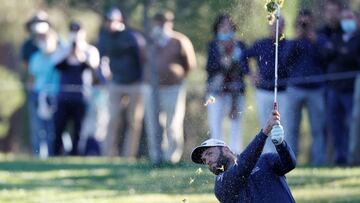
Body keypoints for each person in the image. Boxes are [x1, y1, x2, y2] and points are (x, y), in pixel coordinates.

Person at [191, 110, 296, 202]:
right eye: (204, 160)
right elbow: (242, 167)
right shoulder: (221, 186)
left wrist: (280, 144)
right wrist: (264, 132)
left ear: (226, 150)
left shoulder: (265, 160)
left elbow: (290, 164)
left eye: (209, 154)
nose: (207, 161)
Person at [143, 10, 196, 164]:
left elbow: (190, 64)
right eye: (159, 22)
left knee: (173, 123)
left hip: (173, 88)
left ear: (170, 23)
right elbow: (142, 59)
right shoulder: (150, 42)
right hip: (152, 89)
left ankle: (172, 157)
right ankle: (156, 157)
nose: (161, 25)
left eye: (165, 22)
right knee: (153, 123)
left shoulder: (179, 40)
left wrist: (175, 75)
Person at [97, 7, 145, 157]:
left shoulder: (132, 36)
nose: (109, 24)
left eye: (112, 21)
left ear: (120, 21)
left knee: (133, 122)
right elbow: (101, 59)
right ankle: (108, 155)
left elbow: (143, 59)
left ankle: (128, 155)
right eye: (107, 21)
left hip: (135, 83)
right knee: (112, 120)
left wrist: (143, 80)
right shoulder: (104, 37)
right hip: (116, 83)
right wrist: (105, 79)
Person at [284, 10, 326, 165]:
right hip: (295, 88)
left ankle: (319, 162)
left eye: (307, 23)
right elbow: (284, 60)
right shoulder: (293, 41)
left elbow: (327, 57)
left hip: (316, 89)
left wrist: (314, 40)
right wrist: (296, 38)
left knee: (318, 129)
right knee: (291, 128)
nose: (304, 26)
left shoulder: (319, 39)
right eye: (302, 23)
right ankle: (290, 162)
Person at [53, 21, 100, 155]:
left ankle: (76, 154)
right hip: (63, 96)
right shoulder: (62, 49)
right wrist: (69, 52)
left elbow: (93, 68)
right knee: (59, 127)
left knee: (79, 129)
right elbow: (56, 65)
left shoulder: (90, 50)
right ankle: (56, 154)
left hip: (81, 96)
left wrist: (80, 55)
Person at [205, 14, 249, 154]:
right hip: (216, 91)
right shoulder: (212, 45)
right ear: (217, 28)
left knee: (235, 124)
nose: (225, 28)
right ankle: (216, 155)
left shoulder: (240, 45)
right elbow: (209, 67)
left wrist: (235, 62)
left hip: (236, 91)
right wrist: (221, 63)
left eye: (228, 25)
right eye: (222, 25)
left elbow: (245, 67)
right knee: (215, 125)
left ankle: (235, 155)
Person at [245, 16, 289, 153]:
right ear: (269, 26)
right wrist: (250, 74)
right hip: (263, 91)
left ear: (284, 27)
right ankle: (268, 155)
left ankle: (282, 155)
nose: (277, 28)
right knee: (266, 124)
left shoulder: (288, 44)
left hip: (284, 91)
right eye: (274, 25)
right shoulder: (261, 44)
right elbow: (243, 56)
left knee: (284, 125)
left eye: (280, 25)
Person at [322, 8, 360, 165]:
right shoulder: (335, 36)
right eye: (344, 18)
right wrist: (343, 52)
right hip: (334, 88)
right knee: (335, 125)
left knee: (352, 124)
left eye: (349, 18)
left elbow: (352, 57)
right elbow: (326, 55)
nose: (347, 21)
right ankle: (340, 157)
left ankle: (353, 157)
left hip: (351, 90)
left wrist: (341, 52)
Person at [28, 29, 60, 158]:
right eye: (41, 40)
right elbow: (32, 78)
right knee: (37, 129)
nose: (44, 43)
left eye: (46, 39)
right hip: (37, 95)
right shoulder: (35, 57)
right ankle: (38, 156)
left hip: (55, 96)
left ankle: (53, 155)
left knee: (53, 129)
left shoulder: (59, 56)